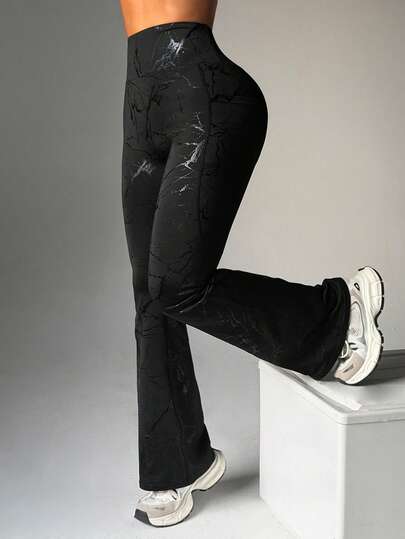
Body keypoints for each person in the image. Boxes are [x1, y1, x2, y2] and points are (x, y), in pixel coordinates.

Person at [118, 0, 385, 528]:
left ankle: (336, 316)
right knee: (150, 295)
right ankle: (177, 462)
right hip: (139, 104)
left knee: (175, 284)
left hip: (205, 97)